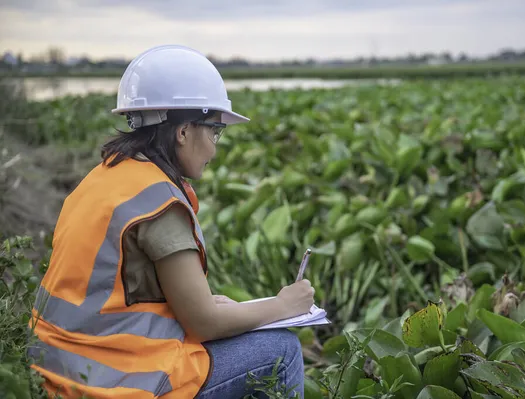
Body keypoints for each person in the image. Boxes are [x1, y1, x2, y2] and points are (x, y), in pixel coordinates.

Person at [28, 44, 315, 399]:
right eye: (214, 132)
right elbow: (204, 323)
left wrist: (219, 304)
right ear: (183, 132)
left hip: (52, 369)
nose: (214, 147)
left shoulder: (103, 178)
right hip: (116, 383)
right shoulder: (158, 204)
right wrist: (284, 306)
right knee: (281, 350)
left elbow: (115, 293)